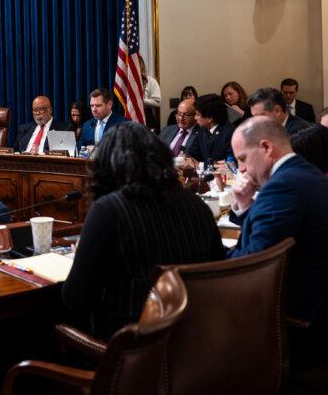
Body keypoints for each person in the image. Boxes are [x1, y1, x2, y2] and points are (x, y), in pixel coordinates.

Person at [62, 122, 224, 340]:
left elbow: (75, 297)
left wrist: (83, 254)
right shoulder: (197, 206)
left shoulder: (109, 211)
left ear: (108, 167)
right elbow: (217, 268)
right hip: (193, 339)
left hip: (129, 347)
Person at [227, 116, 328, 324]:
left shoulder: (283, 186)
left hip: (296, 307)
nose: (241, 169)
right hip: (325, 297)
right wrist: (245, 205)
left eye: (243, 158)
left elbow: (255, 262)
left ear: (266, 147)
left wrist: (212, 257)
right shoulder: (307, 172)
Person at [185, 93, 234, 163]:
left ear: (210, 118)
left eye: (198, 115)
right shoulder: (202, 130)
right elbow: (192, 154)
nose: (195, 118)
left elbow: (230, 163)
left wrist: (201, 165)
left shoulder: (230, 133)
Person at [247, 87, 311, 135]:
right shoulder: (263, 129)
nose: (255, 121)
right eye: (254, 117)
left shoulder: (303, 133)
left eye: (260, 116)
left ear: (277, 111)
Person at [139, 62, 161, 131]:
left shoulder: (151, 81)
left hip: (147, 115)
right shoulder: (127, 81)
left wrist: (140, 100)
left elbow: (157, 102)